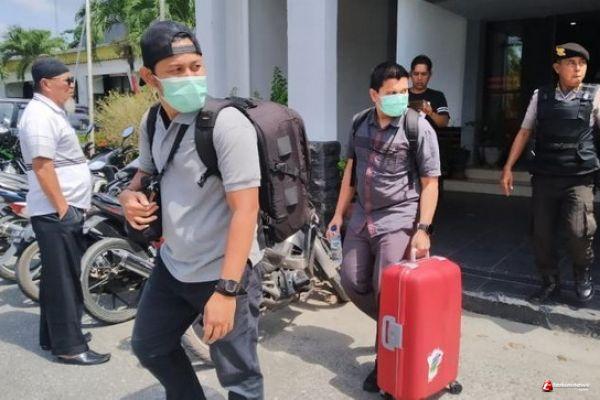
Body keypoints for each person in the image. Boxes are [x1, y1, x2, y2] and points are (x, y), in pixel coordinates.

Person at [118, 21, 263, 400]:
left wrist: (227, 292)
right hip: (172, 265)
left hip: (222, 272)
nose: (190, 77)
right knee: (150, 346)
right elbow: (143, 175)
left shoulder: (226, 124)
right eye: (177, 70)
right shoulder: (152, 121)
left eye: (196, 66)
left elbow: (246, 210)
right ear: (150, 77)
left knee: (240, 378)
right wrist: (127, 197)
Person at [327, 61, 441, 393]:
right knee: (351, 280)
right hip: (362, 216)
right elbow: (350, 171)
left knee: (387, 291)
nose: (400, 98)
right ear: (374, 95)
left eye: (404, 92)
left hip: (398, 217)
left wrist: (423, 228)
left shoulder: (418, 127)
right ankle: (403, 328)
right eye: (392, 93)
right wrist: (338, 214)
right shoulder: (358, 123)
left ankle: (387, 362)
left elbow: (430, 183)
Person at [18, 58, 110, 365]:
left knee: (56, 279)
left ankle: (53, 337)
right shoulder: (39, 116)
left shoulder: (50, 112)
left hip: (60, 210)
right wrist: (63, 209)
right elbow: (42, 166)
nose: (73, 86)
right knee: (64, 281)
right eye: (68, 81)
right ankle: (70, 347)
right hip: (56, 212)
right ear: (46, 84)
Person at [501, 42, 599, 304]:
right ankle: (550, 281)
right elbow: (525, 131)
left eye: (582, 63)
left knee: (579, 231)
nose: (578, 68)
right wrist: (508, 167)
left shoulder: (595, 94)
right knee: (541, 234)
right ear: (557, 67)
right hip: (545, 175)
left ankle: (582, 273)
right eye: (571, 63)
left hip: (578, 177)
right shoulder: (541, 96)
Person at [408, 54, 450, 129]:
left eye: (424, 74)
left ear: (430, 75)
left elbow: (444, 122)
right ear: (410, 74)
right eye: (416, 74)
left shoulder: (438, 96)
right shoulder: (401, 95)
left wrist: (431, 113)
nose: (419, 78)